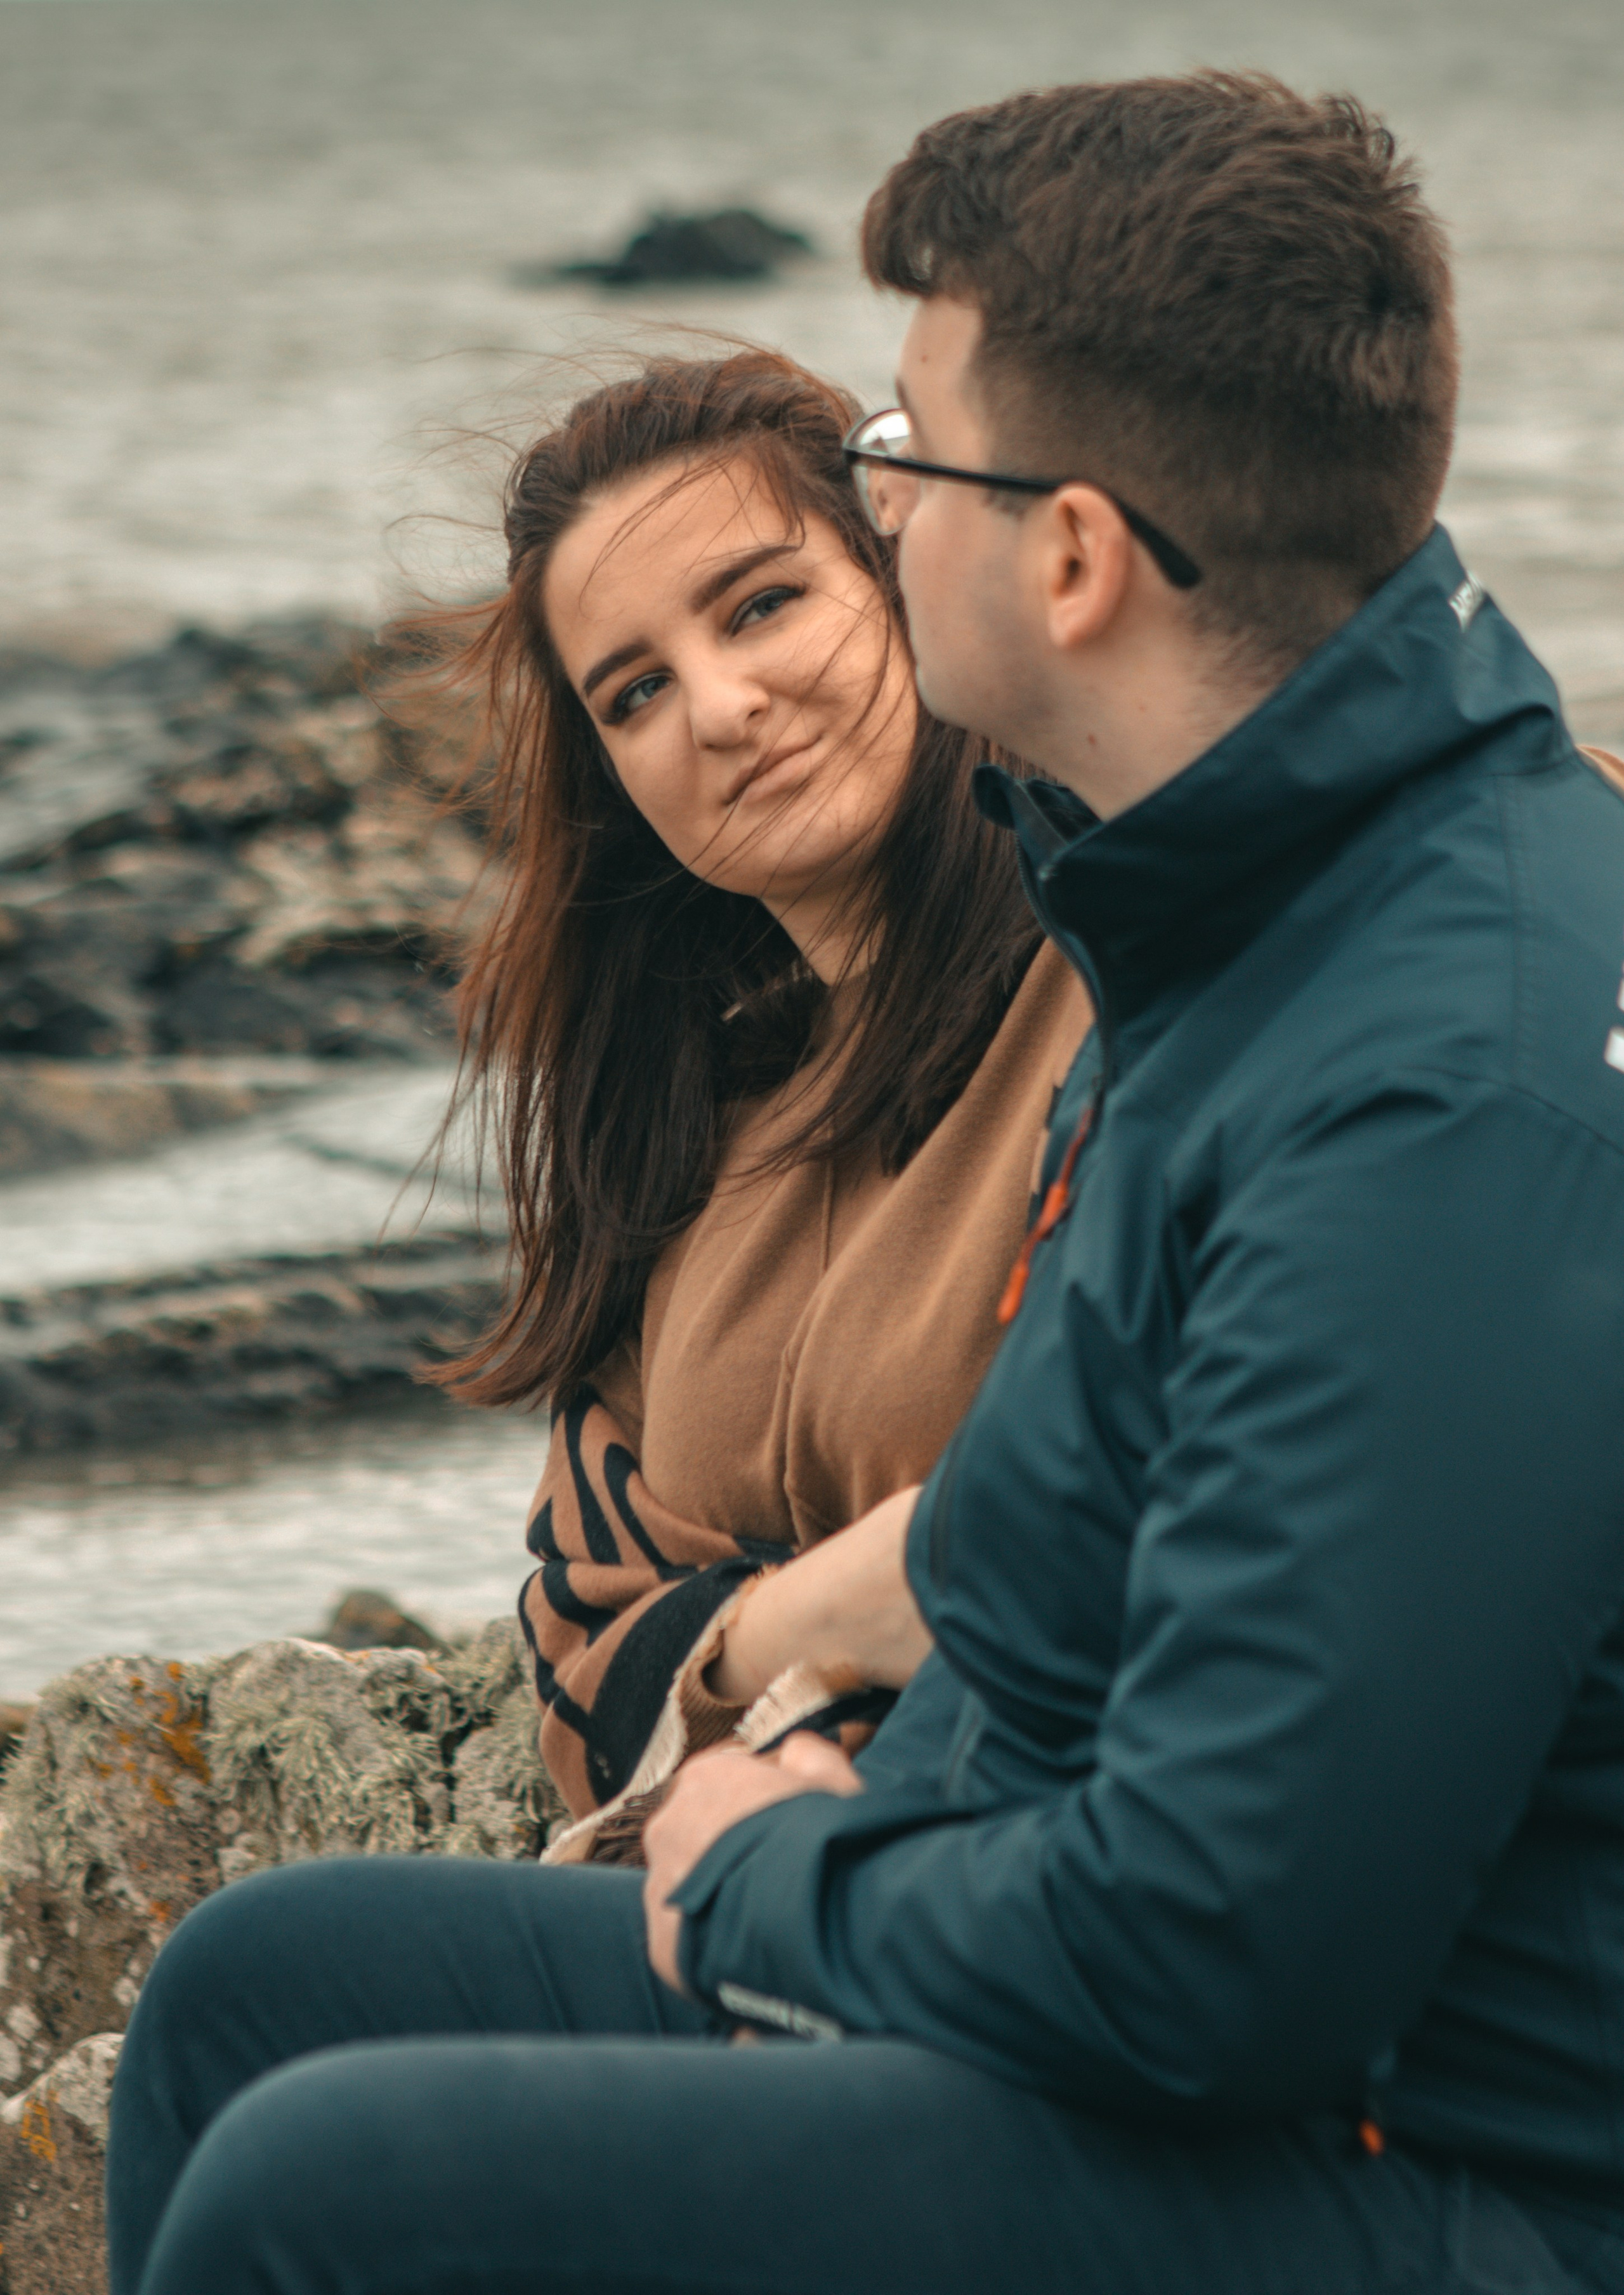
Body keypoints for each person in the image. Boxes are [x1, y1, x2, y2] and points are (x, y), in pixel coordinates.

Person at [107, 70, 1624, 2295]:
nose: (882, 496)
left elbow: (1223, 1960)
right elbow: (1062, 1500)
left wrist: (762, 1878)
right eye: (634, 686)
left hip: (1424, 2164)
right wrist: (792, 1670)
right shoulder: (1229, 910)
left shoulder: (1434, 1079)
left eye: (901, 459)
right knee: (263, 1987)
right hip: (1083, 1936)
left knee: (333, 2185)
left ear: (1077, 555)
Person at [412, 348, 1087, 1853]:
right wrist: (827, 1611)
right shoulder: (689, 1142)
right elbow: (586, 1662)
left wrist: (741, 1648)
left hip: (1029, 1887)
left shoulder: (1129, 963)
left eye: (761, 604)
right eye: (634, 692)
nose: (718, 708)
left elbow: (1138, 1510)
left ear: (899, 572)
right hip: (752, 1904)